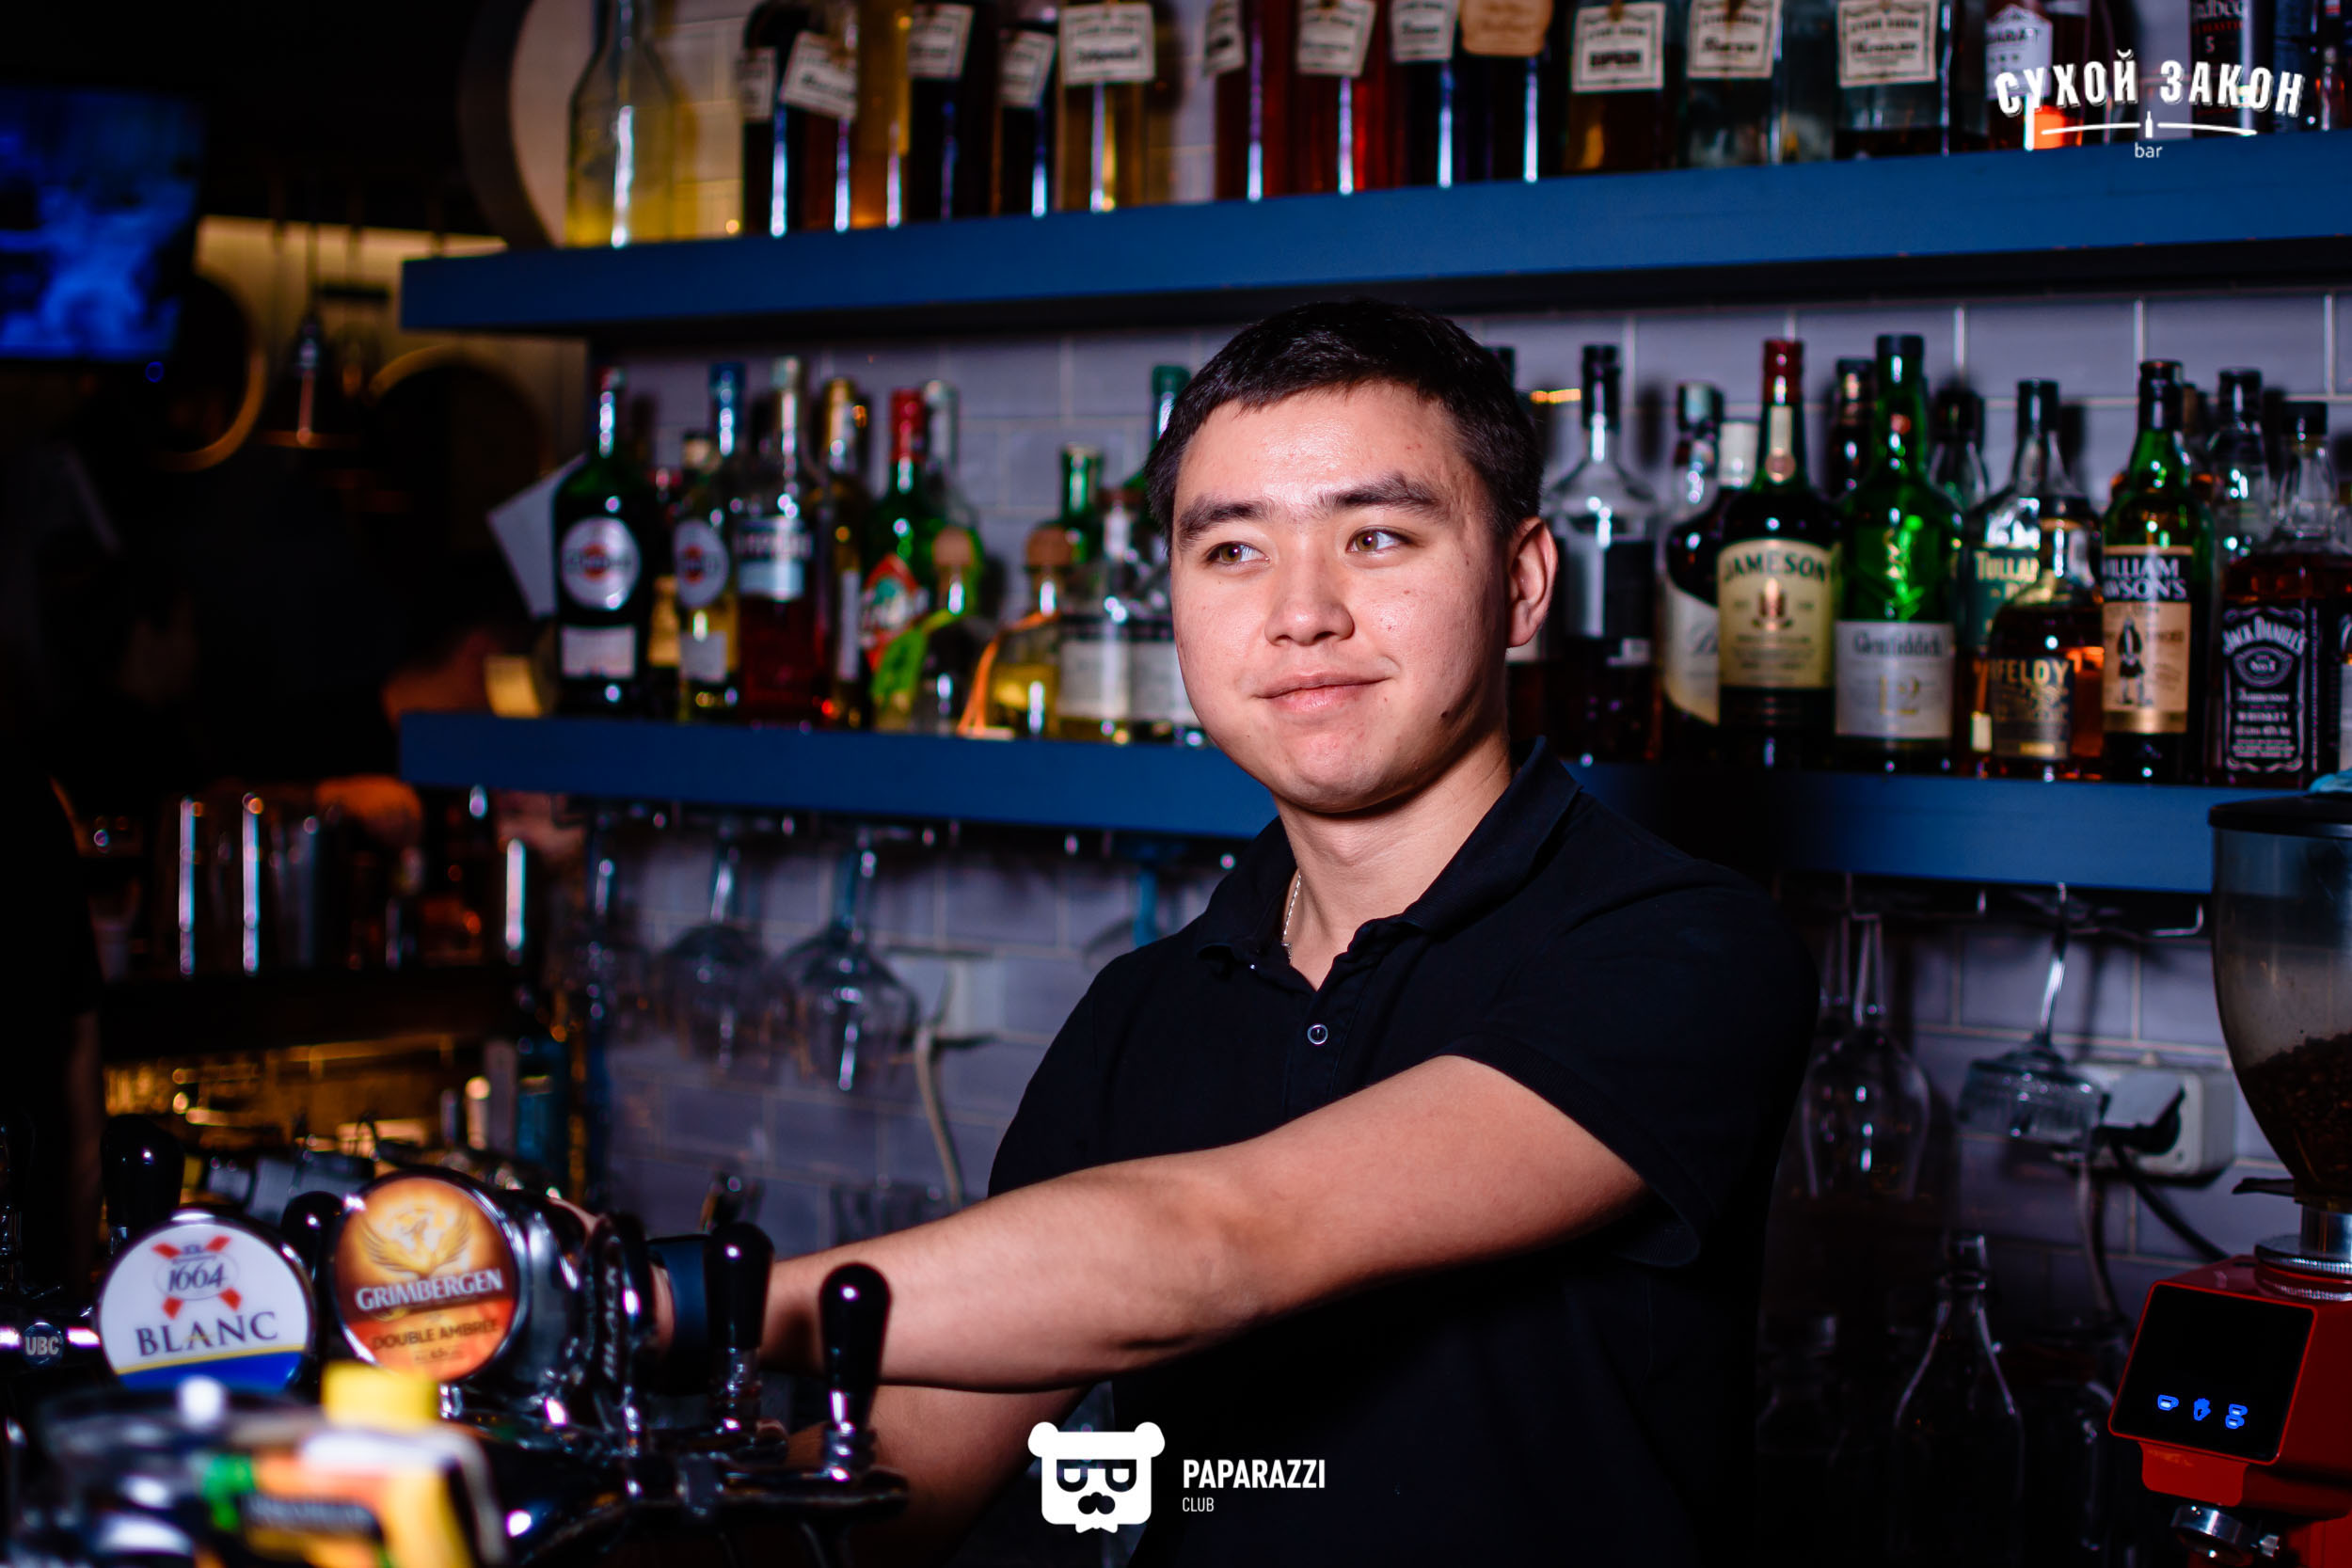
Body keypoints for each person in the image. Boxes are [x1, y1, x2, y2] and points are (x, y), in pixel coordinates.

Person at [687, 301, 1818, 1565]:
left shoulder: (1680, 948)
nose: (1301, 613)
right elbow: (910, 1462)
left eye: (1376, 537)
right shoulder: (1142, 1011)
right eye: (1232, 550)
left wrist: (681, 1300)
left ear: (1522, 584)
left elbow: (1222, 1242)